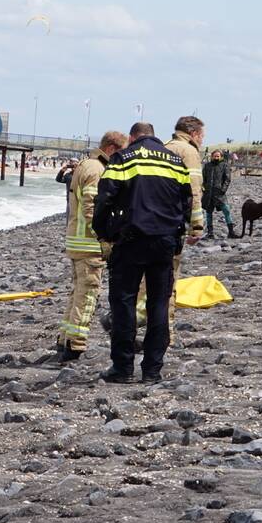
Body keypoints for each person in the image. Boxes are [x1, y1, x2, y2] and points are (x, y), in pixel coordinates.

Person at [93, 124, 193, 384]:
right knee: (158, 304)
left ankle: (123, 368)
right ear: (154, 135)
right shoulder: (175, 161)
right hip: (164, 241)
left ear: (132, 137)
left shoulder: (123, 158)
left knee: (123, 303)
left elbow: (104, 198)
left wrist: (104, 232)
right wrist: (178, 235)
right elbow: (187, 201)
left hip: (131, 240)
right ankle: (152, 370)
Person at [55, 130, 128, 362]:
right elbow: (92, 209)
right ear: (111, 148)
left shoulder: (85, 165)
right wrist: (104, 238)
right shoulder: (97, 170)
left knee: (77, 293)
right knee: (87, 296)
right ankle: (75, 345)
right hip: (88, 244)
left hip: (77, 241)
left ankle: (64, 339)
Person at [164, 117, 206, 343]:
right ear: (194, 133)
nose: (202, 140)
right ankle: (166, 334)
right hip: (173, 223)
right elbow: (194, 192)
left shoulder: (163, 147)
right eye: (202, 136)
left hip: (152, 223)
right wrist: (196, 227)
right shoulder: (188, 152)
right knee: (168, 281)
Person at [202, 149, 236, 238]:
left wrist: (223, 190)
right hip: (209, 193)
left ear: (221, 157)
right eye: (215, 156)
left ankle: (231, 232)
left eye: (218, 156)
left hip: (220, 193)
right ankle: (210, 233)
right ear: (212, 156)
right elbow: (203, 179)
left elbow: (227, 179)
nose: (216, 157)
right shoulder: (207, 166)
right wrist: (204, 189)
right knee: (208, 213)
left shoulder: (224, 165)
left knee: (226, 210)